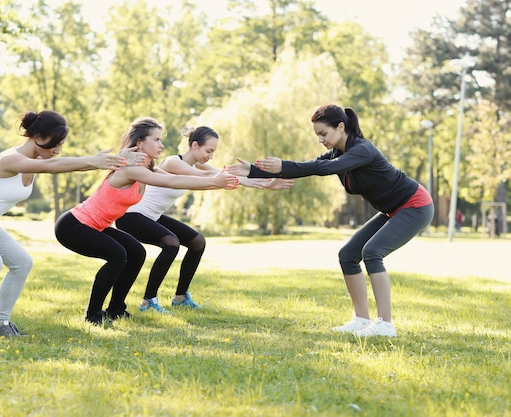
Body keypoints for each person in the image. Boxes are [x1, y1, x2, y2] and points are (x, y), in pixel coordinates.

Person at [0, 110, 144, 344]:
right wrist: (94, 161)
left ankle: (0, 325)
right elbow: (55, 166)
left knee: (21, 262)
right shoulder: (10, 159)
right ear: (39, 138)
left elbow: (62, 164)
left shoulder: (35, 161)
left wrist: (115, 160)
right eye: (56, 144)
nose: (58, 150)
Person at [228, 104, 434, 337]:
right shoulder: (338, 153)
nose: (320, 140)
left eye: (323, 134)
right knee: (348, 255)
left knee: (373, 252)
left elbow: (323, 168)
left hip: (415, 205)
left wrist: (283, 165)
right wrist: (254, 171)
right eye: (317, 135)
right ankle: (361, 319)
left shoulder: (362, 150)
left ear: (341, 127)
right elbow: (309, 167)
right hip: (392, 209)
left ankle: (385, 324)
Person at [53, 117, 240, 326]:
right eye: (157, 139)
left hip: (95, 225)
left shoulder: (147, 167)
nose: (161, 145)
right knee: (117, 255)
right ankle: (93, 315)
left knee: (136, 252)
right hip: (74, 225)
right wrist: (215, 181)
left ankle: (116, 310)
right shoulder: (130, 167)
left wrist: (219, 183)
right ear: (140, 143)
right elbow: (171, 180)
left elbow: (178, 182)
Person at [115, 125, 294, 314]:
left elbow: (220, 175)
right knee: (171, 243)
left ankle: (181, 297)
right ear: (194, 145)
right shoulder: (172, 162)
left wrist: (266, 182)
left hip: (153, 217)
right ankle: (148, 301)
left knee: (197, 242)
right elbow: (208, 176)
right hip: (132, 216)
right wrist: (243, 176)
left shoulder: (196, 165)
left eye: (213, 152)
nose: (211, 156)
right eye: (209, 151)